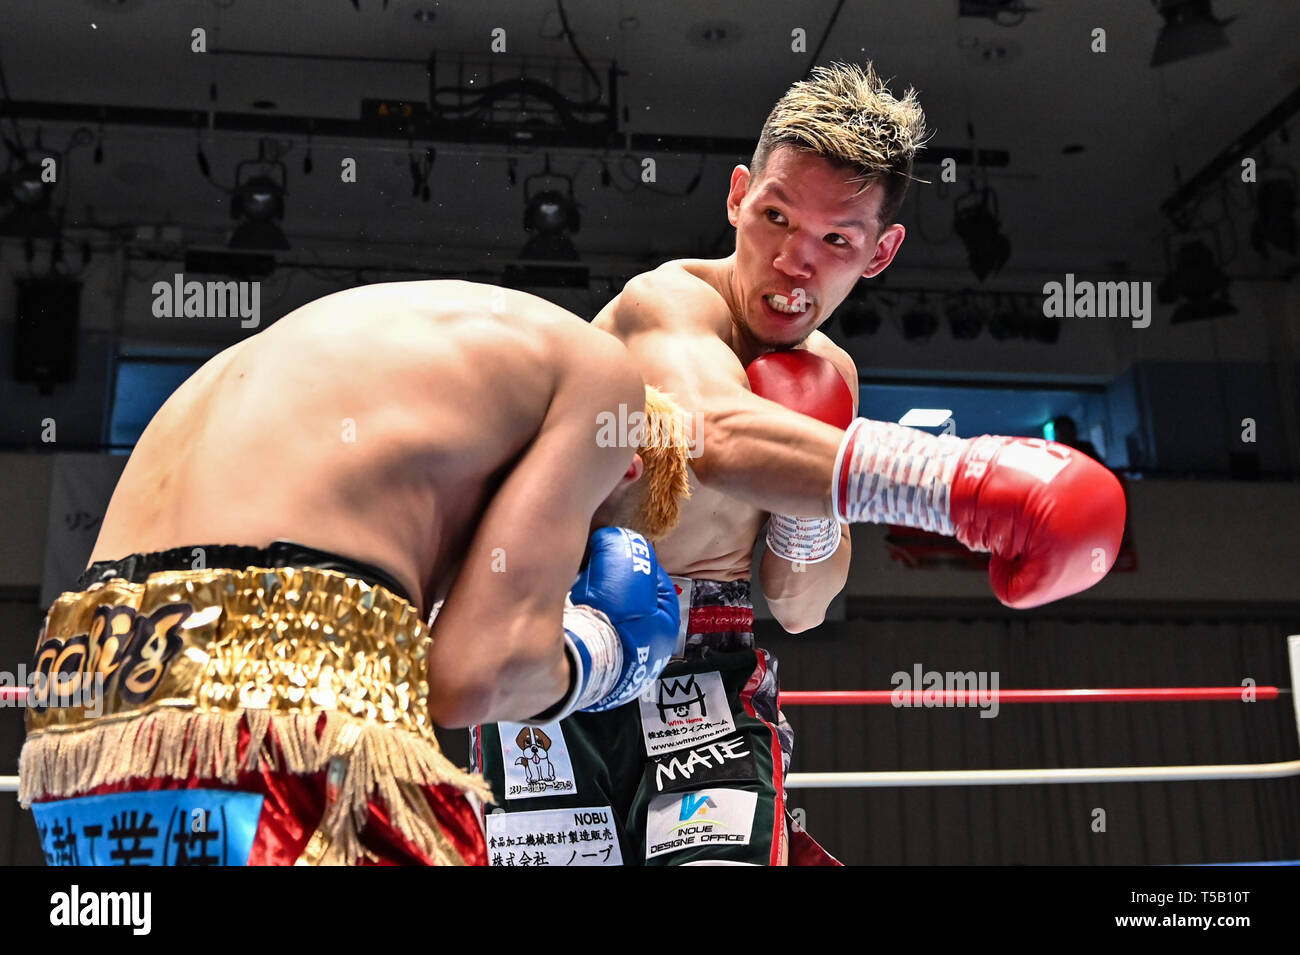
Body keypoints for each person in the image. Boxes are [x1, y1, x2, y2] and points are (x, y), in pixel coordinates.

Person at [474, 62, 1126, 866]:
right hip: (561, 647)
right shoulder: (667, 306)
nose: (793, 259)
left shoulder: (834, 380)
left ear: (881, 252)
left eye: (835, 240)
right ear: (738, 196)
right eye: (776, 215)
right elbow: (713, 433)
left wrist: (806, 508)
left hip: (706, 673)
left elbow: (799, 603)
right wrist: (963, 483)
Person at [20, 279, 691, 866]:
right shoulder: (608, 387)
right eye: (574, 547)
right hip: (281, 702)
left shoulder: (381, 354)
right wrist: (599, 650)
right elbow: (473, 680)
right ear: (622, 463)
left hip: (83, 709)